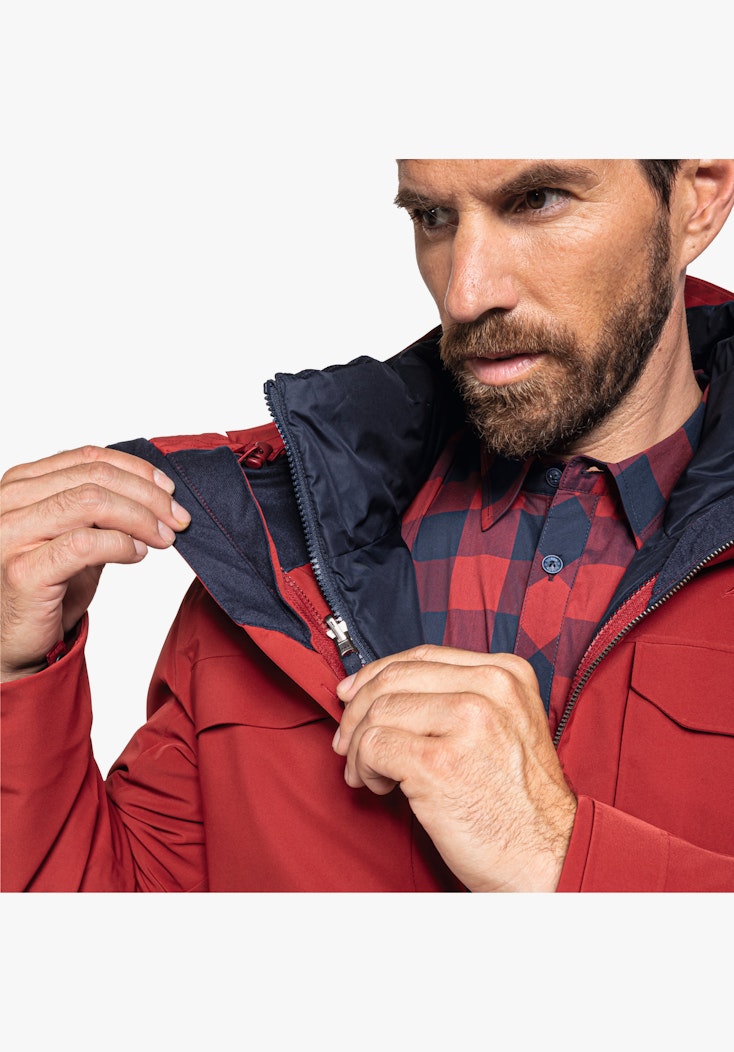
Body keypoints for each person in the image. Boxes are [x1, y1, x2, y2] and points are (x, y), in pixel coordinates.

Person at [2, 158, 733, 892]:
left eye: (537, 200)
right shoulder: (282, 554)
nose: (466, 293)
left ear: (697, 197)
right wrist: (15, 675)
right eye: (434, 217)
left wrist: (552, 854)